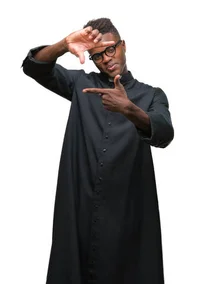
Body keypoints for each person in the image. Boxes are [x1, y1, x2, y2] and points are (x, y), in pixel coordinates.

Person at [21, 18, 174, 284]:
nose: (106, 59)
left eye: (110, 49)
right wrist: (63, 45)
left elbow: (164, 133)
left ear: (123, 45)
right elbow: (34, 68)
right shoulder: (82, 85)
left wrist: (129, 109)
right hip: (80, 211)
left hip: (128, 216)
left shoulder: (152, 95)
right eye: (97, 56)